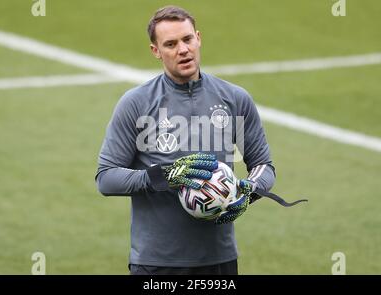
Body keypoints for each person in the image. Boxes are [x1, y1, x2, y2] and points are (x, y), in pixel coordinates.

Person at [95, 6, 293, 275]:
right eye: (171, 44)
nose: (183, 50)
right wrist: (164, 176)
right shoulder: (136, 103)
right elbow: (106, 178)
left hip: (219, 260)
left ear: (198, 38)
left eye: (187, 39)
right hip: (157, 263)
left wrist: (248, 192)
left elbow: (263, 165)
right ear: (156, 51)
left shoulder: (234, 98)